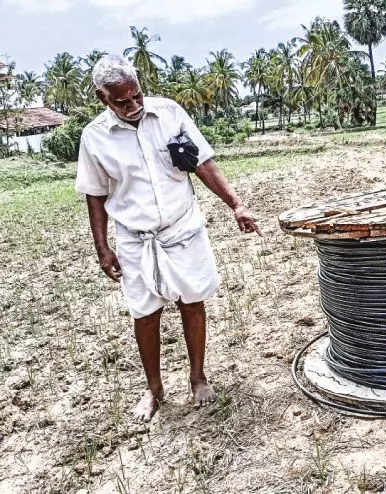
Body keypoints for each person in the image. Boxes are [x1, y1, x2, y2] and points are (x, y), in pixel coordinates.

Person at [75, 55, 261, 422]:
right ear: (103, 98)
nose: (133, 106)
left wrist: (236, 204)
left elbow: (202, 163)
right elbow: (94, 195)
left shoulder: (169, 113)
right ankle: (154, 389)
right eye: (121, 101)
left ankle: (198, 377)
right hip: (135, 238)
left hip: (181, 228)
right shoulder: (94, 137)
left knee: (192, 302)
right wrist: (102, 248)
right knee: (145, 314)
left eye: (137, 96)